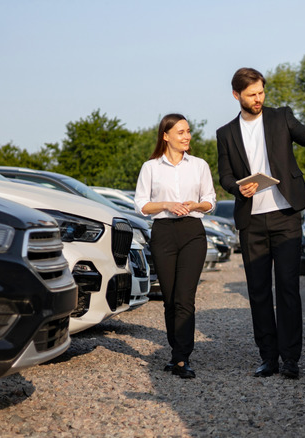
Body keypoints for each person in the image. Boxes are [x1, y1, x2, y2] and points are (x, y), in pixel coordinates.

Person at [216, 67, 305, 379]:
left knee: (288, 289)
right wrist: (237, 187)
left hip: (285, 215)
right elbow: (224, 174)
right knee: (259, 291)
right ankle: (268, 358)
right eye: (251, 95)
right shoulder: (226, 133)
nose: (258, 98)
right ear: (237, 96)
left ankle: (291, 360)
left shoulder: (281, 117)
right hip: (251, 221)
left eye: (261, 92)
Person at [135, 113, 216, 379]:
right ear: (166, 136)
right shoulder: (151, 168)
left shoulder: (199, 165)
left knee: (185, 298)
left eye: (188, 131)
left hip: (193, 231)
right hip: (164, 232)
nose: (187, 136)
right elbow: (142, 205)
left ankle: (182, 358)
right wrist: (167, 204)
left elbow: (210, 201)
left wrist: (195, 205)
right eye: (180, 132)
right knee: (170, 299)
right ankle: (175, 352)